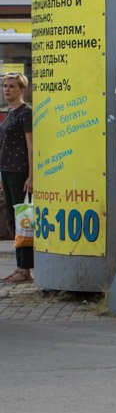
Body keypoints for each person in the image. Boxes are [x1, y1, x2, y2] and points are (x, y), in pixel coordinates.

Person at [1, 72, 33, 283]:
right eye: (5, 86)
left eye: (12, 86)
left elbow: (31, 146)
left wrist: (31, 176)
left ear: (22, 89)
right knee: (14, 220)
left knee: (23, 220)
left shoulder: (26, 113)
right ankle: (20, 267)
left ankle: (24, 269)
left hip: (20, 172)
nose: (7, 89)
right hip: (7, 171)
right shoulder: (9, 112)